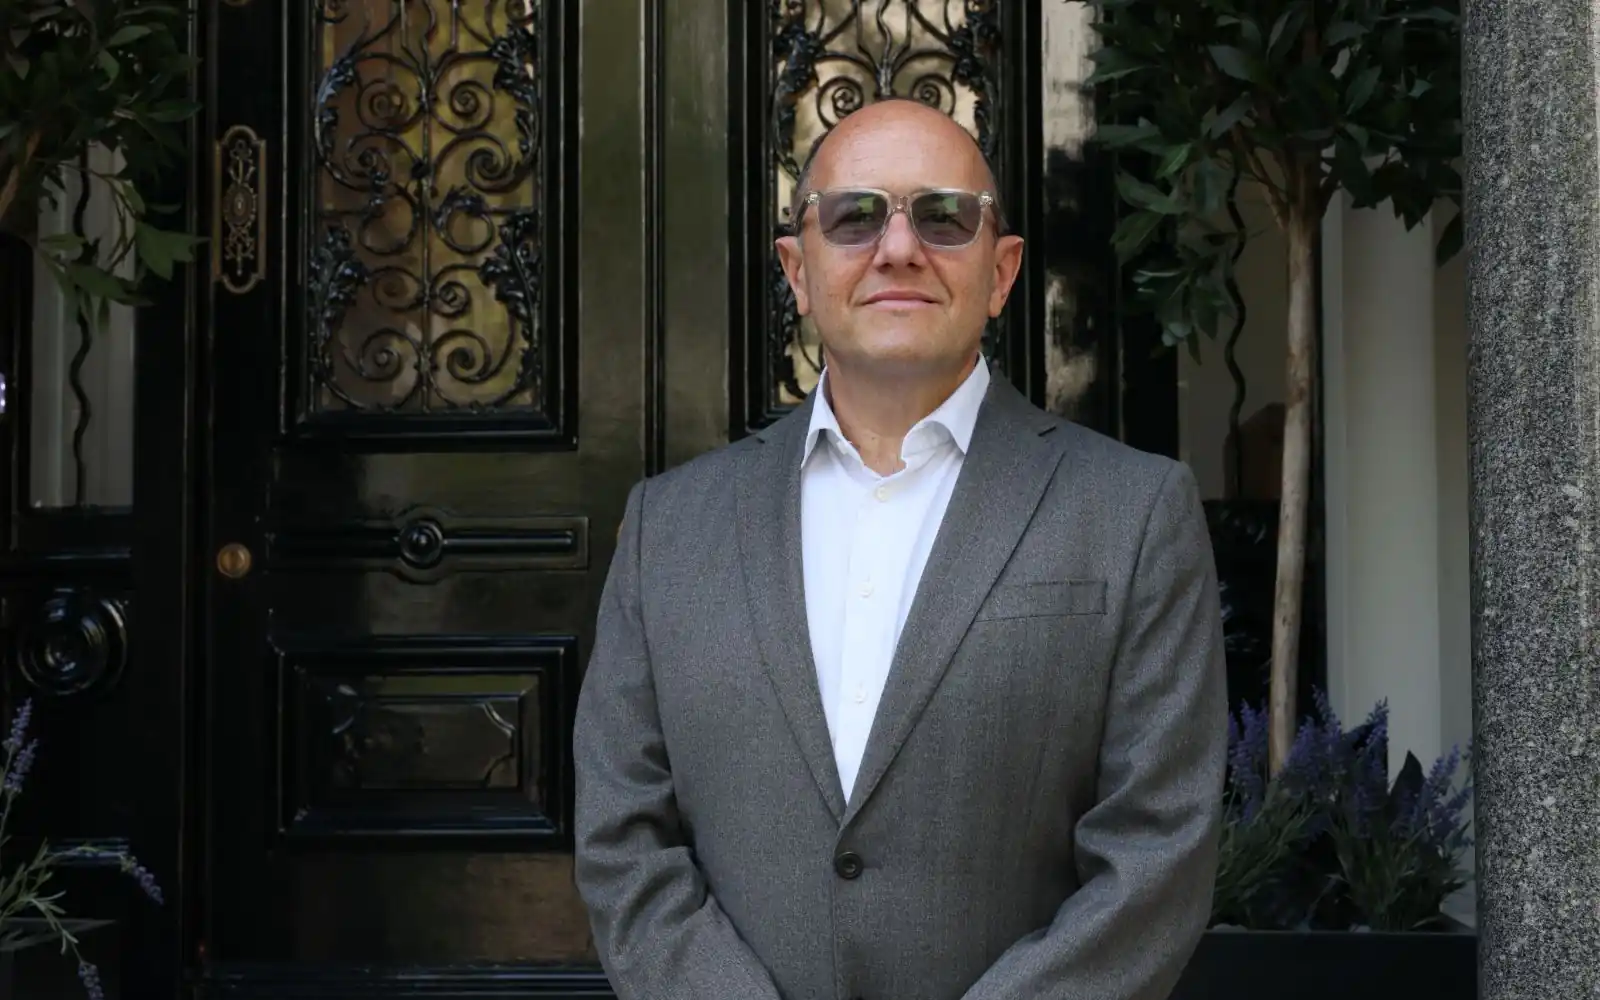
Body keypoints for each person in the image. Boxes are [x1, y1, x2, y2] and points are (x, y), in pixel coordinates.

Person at [572, 98, 1227, 1000]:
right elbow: (622, 837)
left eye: (943, 216)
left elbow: (1156, 854)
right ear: (797, 271)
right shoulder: (669, 528)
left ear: (1002, 273)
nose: (898, 248)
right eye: (855, 216)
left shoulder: (1134, 513)